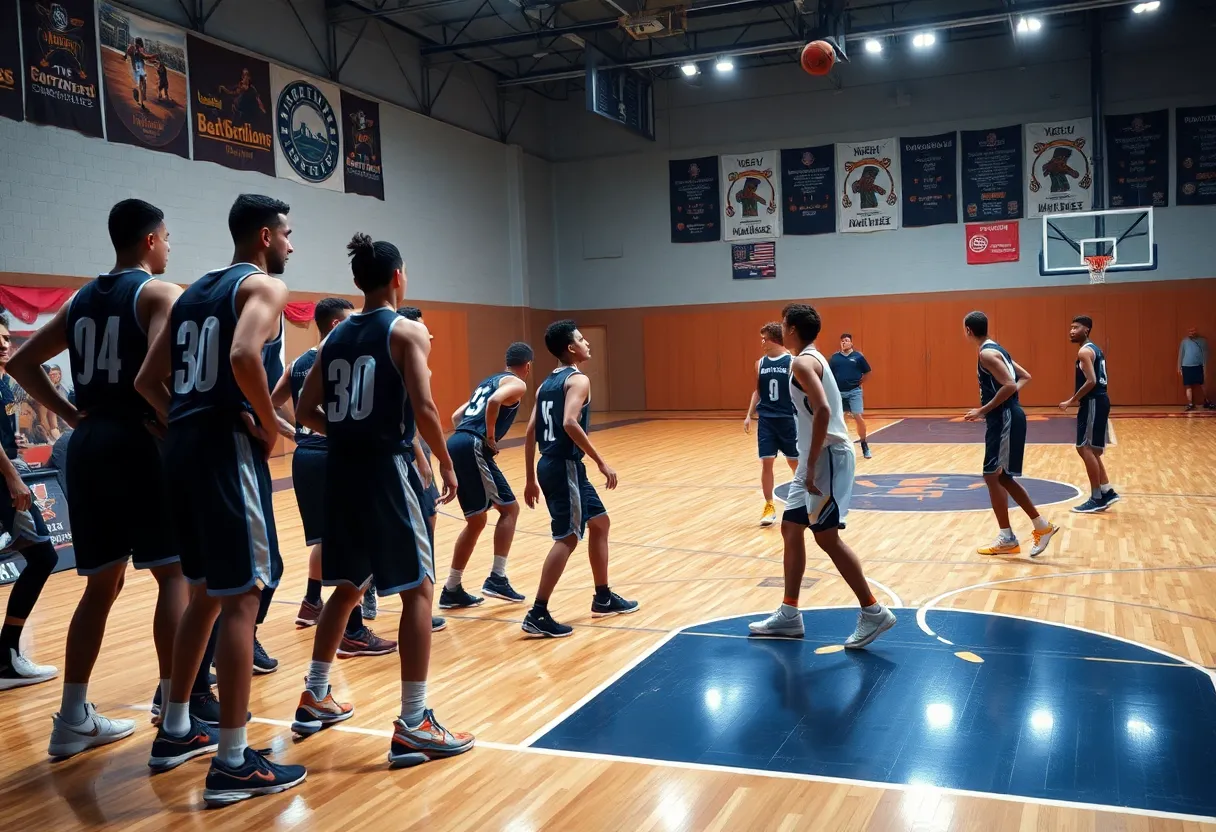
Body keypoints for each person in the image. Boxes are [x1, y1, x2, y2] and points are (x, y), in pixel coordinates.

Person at [135, 194, 305, 802]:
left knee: (203, 594)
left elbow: (145, 381)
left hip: (181, 446)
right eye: (287, 234)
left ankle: (176, 728)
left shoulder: (188, 293)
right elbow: (240, 356)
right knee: (242, 599)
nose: (290, 244)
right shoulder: (262, 289)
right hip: (222, 448)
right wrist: (266, 424)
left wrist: (182, 418)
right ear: (264, 236)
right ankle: (233, 759)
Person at [7, 200, 187, 757]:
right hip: (139, 441)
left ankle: (71, 717)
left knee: (101, 584)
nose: (169, 246)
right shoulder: (160, 293)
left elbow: (19, 362)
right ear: (152, 240)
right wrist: (171, 425)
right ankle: (177, 710)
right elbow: (150, 375)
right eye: (167, 237)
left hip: (87, 447)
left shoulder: (81, 298)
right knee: (173, 576)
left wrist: (69, 411)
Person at [289, 232, 474, 766]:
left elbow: (304, 411)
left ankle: (315, 694)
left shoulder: (335, 335)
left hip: (341, 468)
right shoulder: (406, 330)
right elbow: (426, 406)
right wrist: (443, 460)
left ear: (357, 281)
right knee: (419, 589)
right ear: (398, 277)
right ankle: (415, 722)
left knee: (346, 585)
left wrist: (345, 432)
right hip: (384, 468)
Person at [748, 304, 896, 645]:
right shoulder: (811, 357)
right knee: (790, 528)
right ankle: (789, 613)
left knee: (826, 537)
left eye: (784, 324)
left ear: (792, 328)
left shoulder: (802, 361)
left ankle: (874, 611)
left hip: (826, 456)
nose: (781, 328)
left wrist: (811, 463)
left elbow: (825, 410)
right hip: (814, 458)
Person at [278, 298, 396, 658]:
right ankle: (355, 629)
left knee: (324, 538)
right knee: (352, 539)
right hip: (333, 454)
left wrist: (294, 434)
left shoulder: (297, 363)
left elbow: (269, 403)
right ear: (333, 325)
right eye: (348, 322)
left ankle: (312, 601)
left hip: (304, 457)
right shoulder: (337, 358)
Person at [521, 320, 638, 638]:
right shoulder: (578, 380)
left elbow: (531, 430)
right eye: (582, 339)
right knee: (568, 537)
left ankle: (603, 597)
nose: (588, 343)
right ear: (571, 348)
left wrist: (530, 477)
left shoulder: (547, 383)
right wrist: (602, 462)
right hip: (565, 466)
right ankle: (538, 612)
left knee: (600, 523)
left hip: (553, 465)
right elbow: (570, 422)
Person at [439, 342, 533, 609]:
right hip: (472, 444)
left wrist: (467, 437)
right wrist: (489, 437)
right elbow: (493, 402)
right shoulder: (517, 383)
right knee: (510, 510)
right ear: (527, 366)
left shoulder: (488, 381)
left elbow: (458, 415)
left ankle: (452, 588)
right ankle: (497, 578)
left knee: (476, 521)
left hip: (458, 441)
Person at [962, 311, 1059, 558]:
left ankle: (1028, 530)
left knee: (996, 476)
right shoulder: (999, 350)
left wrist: (983, 410)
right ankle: (1020, 532)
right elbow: (1023, 377)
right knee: (998, 477)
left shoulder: (986, 354)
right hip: (1006, 415)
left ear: (968, 331)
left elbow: (1008, 385)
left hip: (1004, 417)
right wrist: (1010, 400)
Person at [0, 317, 60, 691]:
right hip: (4, 484)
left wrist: (13, 446)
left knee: (40, 557)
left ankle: (6, 654)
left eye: (6, 338)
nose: (4, 344)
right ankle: (6, 656)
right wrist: (11, 475)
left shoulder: (5, 383)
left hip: (5, 473)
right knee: (43, 557)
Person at [395, 306, 445, 633]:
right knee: (420, 526)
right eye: (422, 328)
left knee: (428, 519)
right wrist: (423, 455)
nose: (428, 335)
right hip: (406, 452)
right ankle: (419, 606)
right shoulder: (405, 362)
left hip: (413, 447)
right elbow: (414, 413)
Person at [1059, 315, 1120, 513]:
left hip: (1093, 401)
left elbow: (1091, 381)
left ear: (1086, 330)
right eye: (1070, 327)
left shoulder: (1084, 352)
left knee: (1084, 448)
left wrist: (1071, 400)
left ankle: (1096, 498)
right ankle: (1106, 490)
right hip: (1099, 401)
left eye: (1075, 327)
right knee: (1091, 450)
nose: (1071, 331)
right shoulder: (1095, 348)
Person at [743, 323, 798, 527]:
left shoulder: (792, 362)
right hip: (766, 420)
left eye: (764, 338)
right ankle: (769, 505)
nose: (762, 342)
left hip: (789, 419)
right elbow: (757, 391)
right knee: (767, 461)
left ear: (775, 339)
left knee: (795, 463)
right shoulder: (760, 363)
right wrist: (749, 414)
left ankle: (804, 500)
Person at [828, 333, 872, 459]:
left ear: (851, 343)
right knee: (838, 419)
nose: (844, 342)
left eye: (846, 340)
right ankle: (839, 446)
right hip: (838, 392)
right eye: (842, 341)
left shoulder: (858, 357)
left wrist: (860, 382)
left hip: (854, 391)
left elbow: (868, 372)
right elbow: (829, 374)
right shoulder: (835, 358)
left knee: (858, 416)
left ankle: (864, 444)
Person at [1179, 327, 1212, 412]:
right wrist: (1179, 366)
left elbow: (1206, 354)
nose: (1191, 332)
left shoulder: (1202, 341)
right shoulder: (1184, 341)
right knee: (1188, 385)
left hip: (1198, 365)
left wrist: (1205, 366)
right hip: (1186, 366)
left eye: (1193, 331)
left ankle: (1207, 401)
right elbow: (1181, 354)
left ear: (1196, 331)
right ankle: (1190, 404)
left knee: (1203, 384)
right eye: (1190, 331)